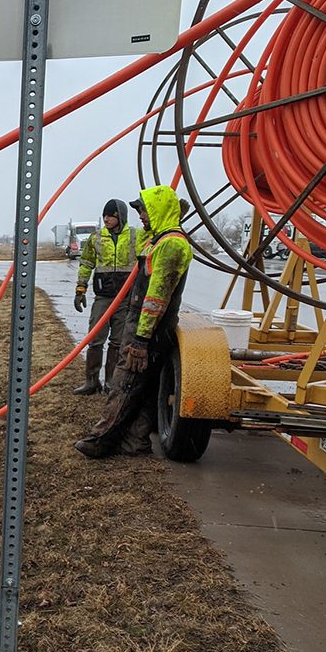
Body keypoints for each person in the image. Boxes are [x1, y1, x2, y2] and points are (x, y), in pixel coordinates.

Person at [74, 186, 192, 458]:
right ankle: (135, 441)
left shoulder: (171, 245)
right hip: (136, 319)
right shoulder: (159, 240)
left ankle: (101, 440)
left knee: (126, 382)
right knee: (143, 386)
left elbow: (157, 296)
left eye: (144, 209)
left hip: (148, 327)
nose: (140, 214)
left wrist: (141, 340)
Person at [72, 199, 139, 395]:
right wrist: (80, 289)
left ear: (120, 217)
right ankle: (91, 381)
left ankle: (111, 382)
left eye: (110, 215)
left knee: (118, 342)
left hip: (125, 299)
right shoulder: (96, 238)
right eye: (104, 215)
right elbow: (86, 264)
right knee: (95, 339)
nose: (106, 219)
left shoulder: (136, 236)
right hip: (103, 298)